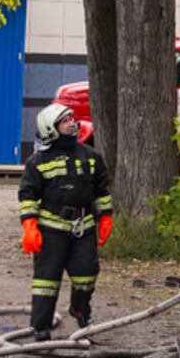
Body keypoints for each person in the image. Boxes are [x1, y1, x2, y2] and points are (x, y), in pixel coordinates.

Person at [18, 103, 114, 341]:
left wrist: (105, 217)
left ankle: (80, 311)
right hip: (51, 229)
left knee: (86, 274)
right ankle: (41, 327)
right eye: (65, 121)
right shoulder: (38, 161)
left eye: (72, 119)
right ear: (51, 129)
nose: (72, 123)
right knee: (46, 280)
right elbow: (28, 195)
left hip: (84, 227)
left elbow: (101, 190)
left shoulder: (91, 156)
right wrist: (29, 226)